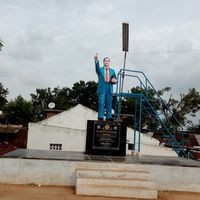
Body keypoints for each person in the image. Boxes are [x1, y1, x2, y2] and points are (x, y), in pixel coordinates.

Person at [94, 53, 117, 121]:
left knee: (109, 102)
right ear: (103, 62)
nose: (106, 62)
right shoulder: (100, 70)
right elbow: (97, 67)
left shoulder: (112, 70)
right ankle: (100, 116)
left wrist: (115, 80)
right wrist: (96, 60)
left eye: (108, 61)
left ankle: (109, 117)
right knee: (101, 102)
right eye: (105, 61)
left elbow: (115, 78)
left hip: (109, 87)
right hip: (102, 87)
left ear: (109, 62)